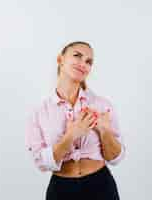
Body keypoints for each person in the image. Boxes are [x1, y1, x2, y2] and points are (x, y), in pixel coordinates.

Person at [25, 41, 126, 200]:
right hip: (61, 190)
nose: (83, 64)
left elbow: (116, 158)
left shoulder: (101, 105)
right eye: (77, 56)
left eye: (88, 61)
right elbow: (42, 163)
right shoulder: (39, 111)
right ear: (60, 60)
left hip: (101, 186)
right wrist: (71, 136)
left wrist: (105, 131)